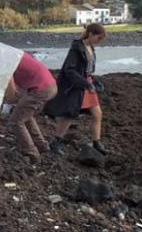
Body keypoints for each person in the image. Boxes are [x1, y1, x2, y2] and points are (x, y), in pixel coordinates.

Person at [44, 23, 108, 155]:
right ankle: (55, 143)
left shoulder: (90, 47)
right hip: (76, 86)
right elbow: (70, 70)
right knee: (69, 116)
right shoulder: (77, 48)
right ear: (90, 34)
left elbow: (88, 70)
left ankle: (96, 143)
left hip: (87, 85)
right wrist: (85, 83)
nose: (99, 41)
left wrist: (93, 82)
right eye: (99, 38)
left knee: (97, 114)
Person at [4, 52, 58, 159]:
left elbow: (11, 96)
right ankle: (42, 145)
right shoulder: (16, 54)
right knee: (25, 115)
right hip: (50, 85)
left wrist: (7, 104)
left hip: (40, 89)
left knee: (16, 121)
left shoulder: (7, 62)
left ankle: (31, 152)